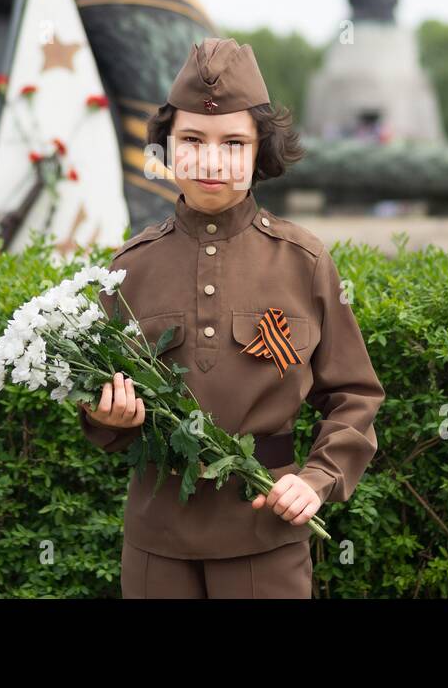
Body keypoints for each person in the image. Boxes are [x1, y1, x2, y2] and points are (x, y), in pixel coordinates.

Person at [76, 37, 386, 598]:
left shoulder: (304, 262)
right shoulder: (129, 270)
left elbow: (355, 395)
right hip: (156, 540)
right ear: (167, 149)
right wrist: (108, 419)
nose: (212, 159)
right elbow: (101, 411)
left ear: (259, 151)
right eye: (192, 139)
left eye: (233, 142)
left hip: (265, 527)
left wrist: (318, 479)